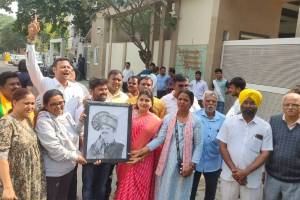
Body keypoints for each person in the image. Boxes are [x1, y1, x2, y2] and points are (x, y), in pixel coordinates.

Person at [133, 90, 203, 200]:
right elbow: (160, 139)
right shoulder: (168, 118)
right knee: (165, 189)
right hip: (167, 161)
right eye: (180, 99)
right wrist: (143, 150)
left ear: (191, 103)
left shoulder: (196, 121)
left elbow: (199, 145)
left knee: (181, 191)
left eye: (186, 100)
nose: (182, 102)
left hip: (185, 164)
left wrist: (192, 165)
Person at [217, 89, 273, 200]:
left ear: (257, 105)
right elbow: (222, 146)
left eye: (252, 103)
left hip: (252, 178)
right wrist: (235, 170)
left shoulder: (265, 126)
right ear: (241, 104)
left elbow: (266, 153)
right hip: (229, 175)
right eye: (245, 102)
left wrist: (245, 172)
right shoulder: (229, 122)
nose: (248, 106)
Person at [26, 18, 87, 119]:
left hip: (71, 131)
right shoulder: (45, 83)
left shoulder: (77, 88)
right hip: (49, 128)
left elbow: (81, 109)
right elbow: (32, 66)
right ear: (54, 70)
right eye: (63, 67)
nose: (67, 69)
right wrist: (31, 39)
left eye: (69, 67)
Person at [35, 89, 87, 200]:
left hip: (69, 168)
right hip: (54, 172)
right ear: (45, 105)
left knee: (63, 197)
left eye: (60, 102)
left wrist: (81, 122)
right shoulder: (44, 122)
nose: (58, 106)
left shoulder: (66, 115)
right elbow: (55, 150)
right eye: (53, 104)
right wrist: (76, 156)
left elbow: (74, 132)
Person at [114, 89, 162, 200]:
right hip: (126, 158)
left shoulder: (156, 121)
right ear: (137, 101)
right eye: (141, 100)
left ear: (151, 103)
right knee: (124, 185)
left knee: (141, 188)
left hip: (144, 160)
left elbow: (157, 144)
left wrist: (142, 155)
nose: (144, 103)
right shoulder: (128, 115)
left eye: (147, 100)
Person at [0, 88, 46, 200]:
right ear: (14, 102)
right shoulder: (7, 123)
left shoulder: (27, 120)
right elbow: (2, 157)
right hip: (17, 181)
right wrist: (8, 187)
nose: (30, 107)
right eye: (26, 103)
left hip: (32, 177)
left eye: (32, 103)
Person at [81, 78, 115, 200]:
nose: (104, 91)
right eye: (100, 89)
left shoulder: (112, 107)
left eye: (105, 89)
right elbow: (80, 131)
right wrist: (91, 152)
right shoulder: (84, 107)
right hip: (89, 153)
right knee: (88, 186)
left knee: (101, 186)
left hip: (107, 154)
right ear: (91, 91)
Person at [264, 92, 300, 200]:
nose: (290, 107)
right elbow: (265, 147)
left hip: (295, 181)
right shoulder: (273, 121)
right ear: (282, 106)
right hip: (272, 177)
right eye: (287, 104)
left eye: (295, 105)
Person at [190, 91, 225, 200]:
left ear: (216, 103)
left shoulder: (223, 119)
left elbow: (225, 142)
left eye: (213, 101)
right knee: (191, 191)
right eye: (208, 101)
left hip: (214, 162)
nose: (210, 103)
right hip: (195, 161)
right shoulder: (194, 116)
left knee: (210, 193)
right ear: (203, 102)